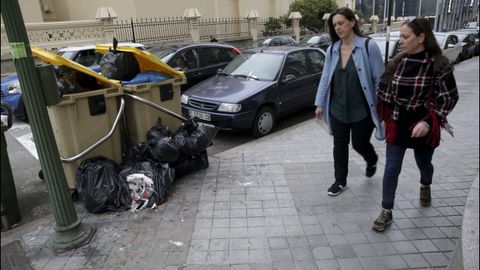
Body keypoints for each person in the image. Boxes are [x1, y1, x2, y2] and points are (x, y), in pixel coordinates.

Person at [372, 18, 459, 232]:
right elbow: (382, 89)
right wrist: (384, 108)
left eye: (405, 36)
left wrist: (430, 122)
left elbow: (448, 98)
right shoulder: (397, 62)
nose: (400, 41)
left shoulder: (439, 65)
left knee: (424, 164)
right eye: (400, 36)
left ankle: (425, 184)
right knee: (392, 168)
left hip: (423, 126)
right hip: (398, 122)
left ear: (421, 38)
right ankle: (386, 210)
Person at [314, 7, 385, 196]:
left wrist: (382, 108)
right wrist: (320, 103)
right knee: (339, 144)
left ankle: (371, 159)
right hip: (337, 108)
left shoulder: (369, 46)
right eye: (334, 24)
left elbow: (380, 80)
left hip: (362, 109)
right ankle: (340, 181)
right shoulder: (332, 49)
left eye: (341, 23)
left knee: (359, 144)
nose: (337, 27)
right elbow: (325, 78)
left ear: (352, 22)